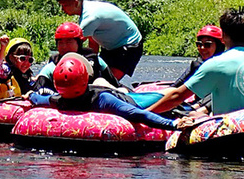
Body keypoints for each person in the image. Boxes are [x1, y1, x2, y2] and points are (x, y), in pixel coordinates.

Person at [148, 8, 244, 117]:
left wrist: (145, 113)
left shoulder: (215, 64)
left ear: (223, 36)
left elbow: (177, 96)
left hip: (229, 136)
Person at [25, 54, 179, 130]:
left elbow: (38, 99)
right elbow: (138, 115)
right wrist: (172, 124)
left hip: (127, 98)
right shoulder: (102, 101)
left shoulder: (59, 99)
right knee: (173, 94)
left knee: (171, 96)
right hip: (120, 97)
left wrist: (30, 95)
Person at [55, 0, 143, 80]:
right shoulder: (86, 7)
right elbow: (93, 43)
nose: (62, 10)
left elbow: (70, 47)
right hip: (109, 47)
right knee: (96, 77)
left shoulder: (89, 18)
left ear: (76, 3)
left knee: (108, 82)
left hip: (129, 45)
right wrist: (92, 63)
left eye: (64, 5)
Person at [33, 21, 118, 91]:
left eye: (69, 42)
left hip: (91, 96)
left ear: (79, 43)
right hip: (61, 98)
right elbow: (38, 86)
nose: (64, 46)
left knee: (100, 81)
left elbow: (114, 82)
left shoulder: (94, 58)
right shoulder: (53, 63)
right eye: (60, 43)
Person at [0, 35, 36, 100]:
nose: (26, 63)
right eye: (22, 58)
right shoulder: (6, 71)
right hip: (6, 105)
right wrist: (3, 47)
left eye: (30, 60)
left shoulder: (27, 74)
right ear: (11, 57)